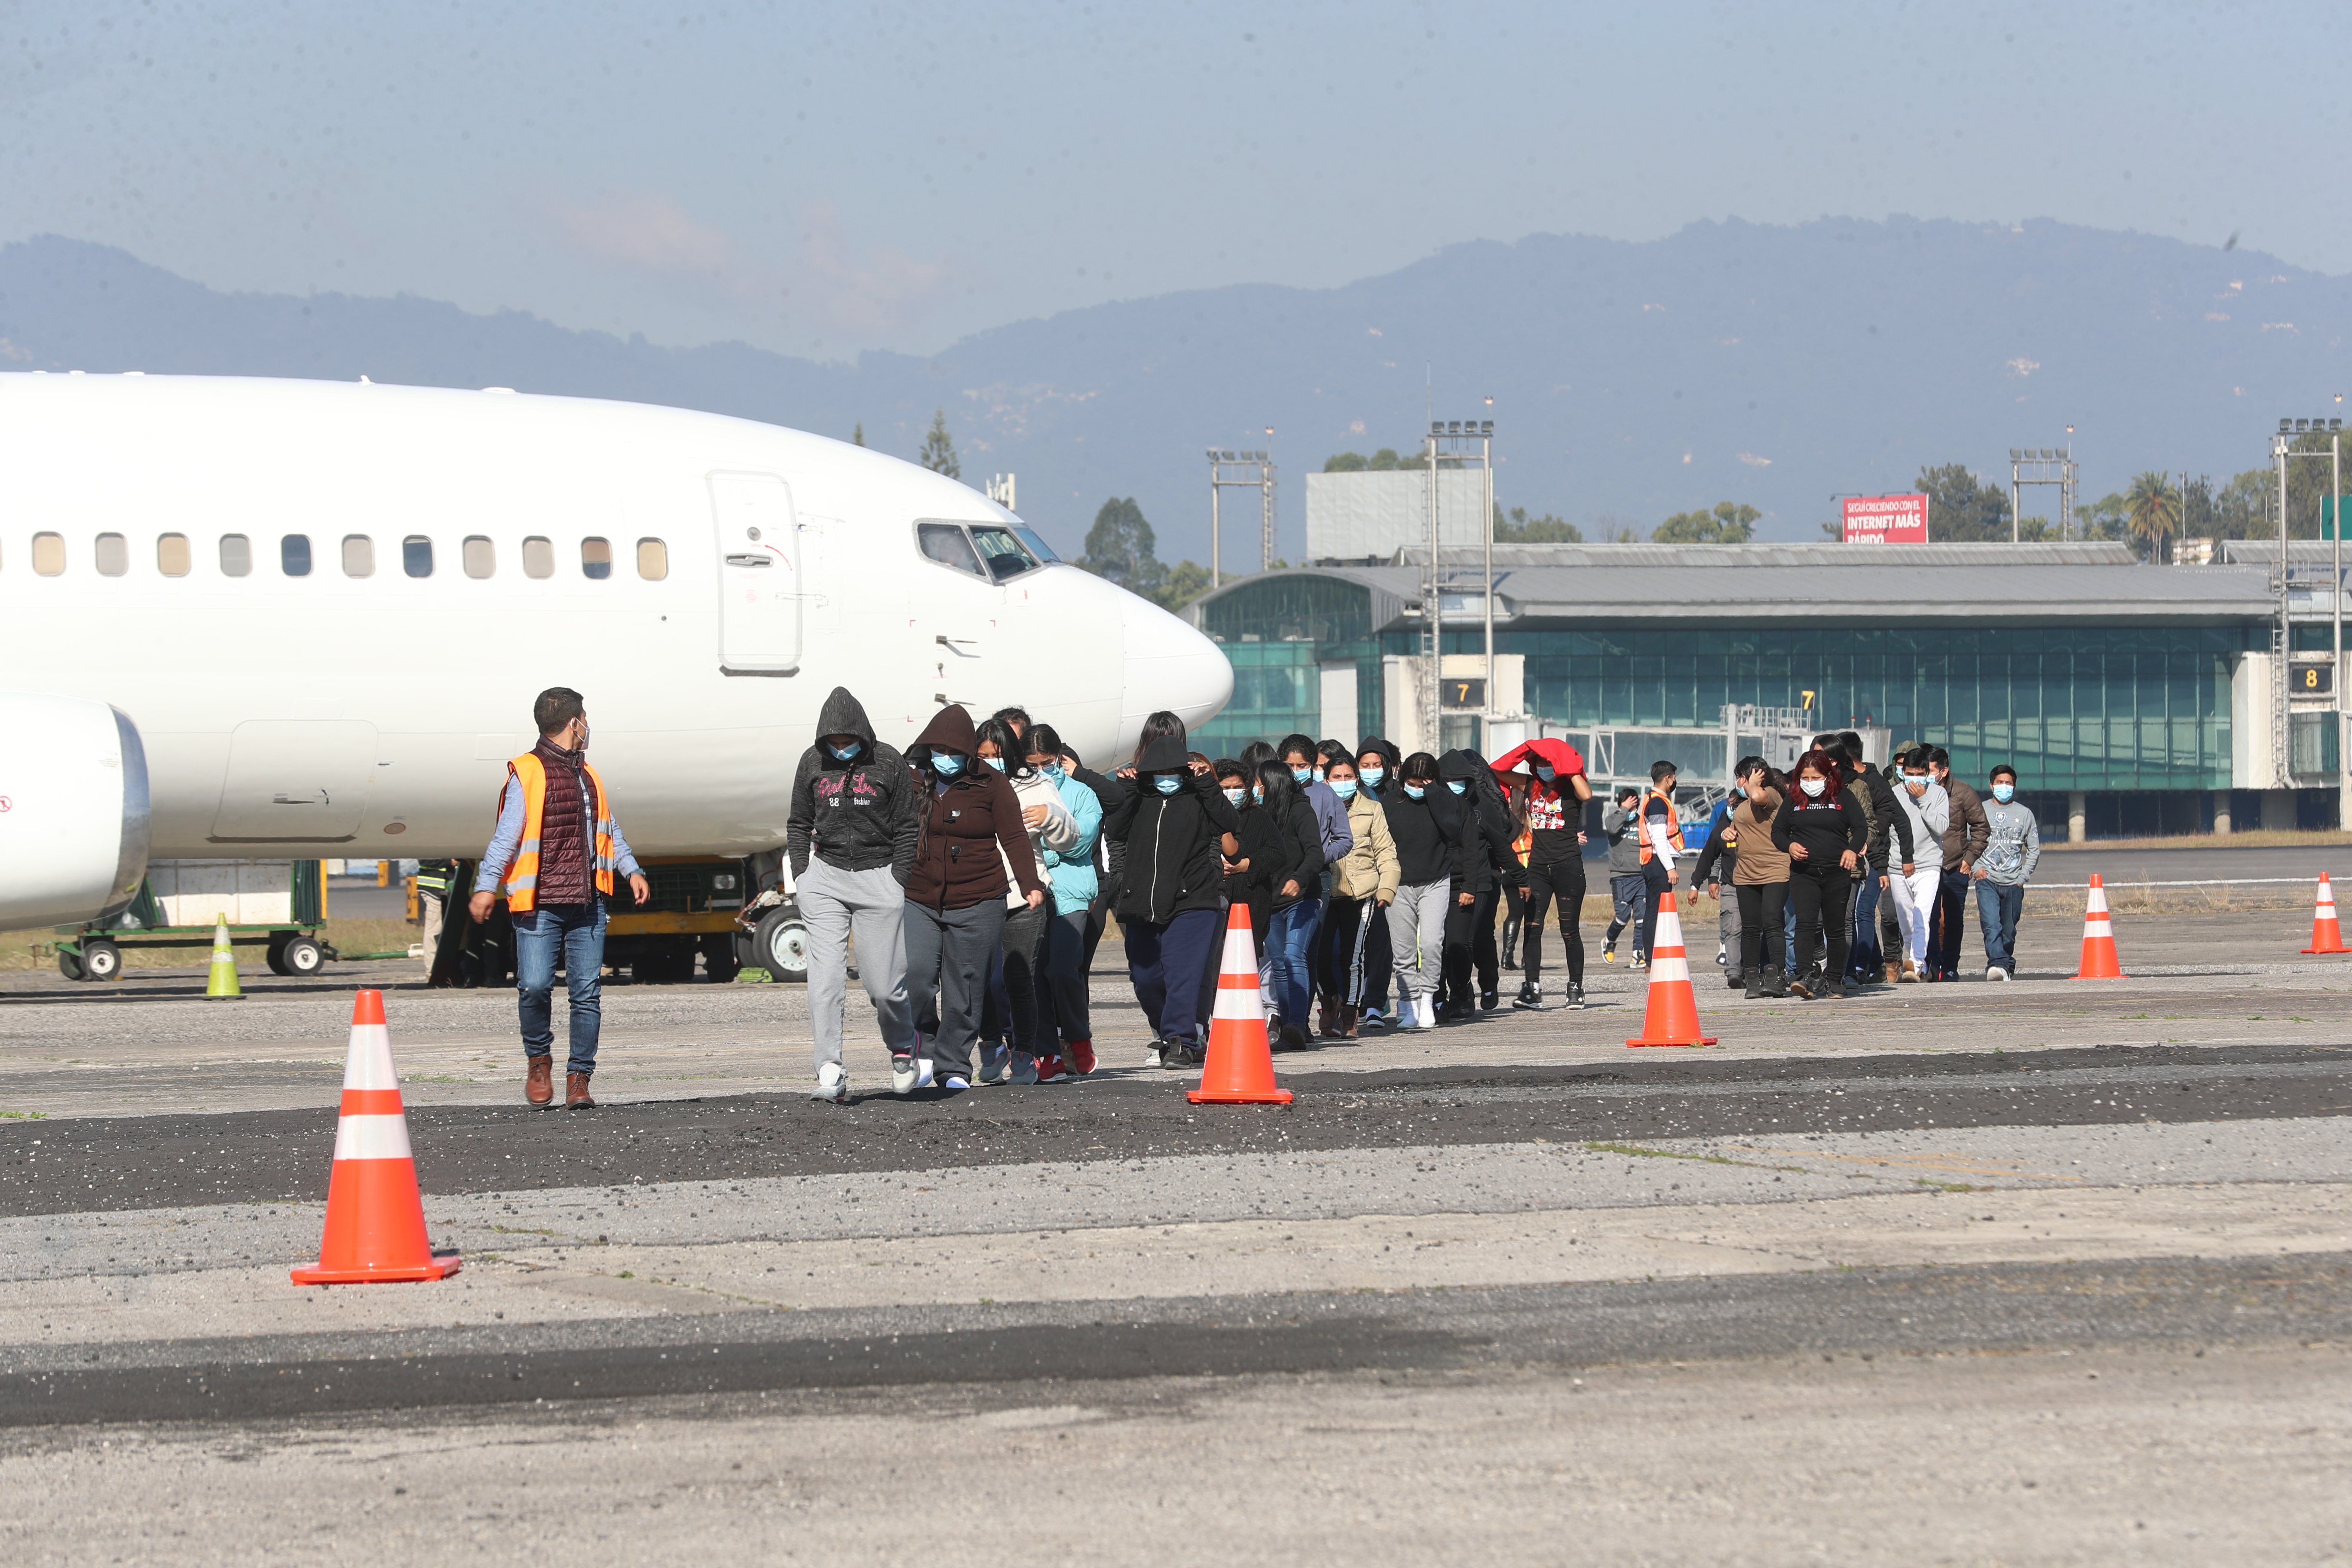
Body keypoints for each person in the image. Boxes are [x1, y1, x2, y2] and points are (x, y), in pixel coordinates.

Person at [469, 687, 651, 1109]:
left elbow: (608, 829)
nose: (587, 725)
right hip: (539, 906)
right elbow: (505, 838)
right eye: (585, 717)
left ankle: (579, 1079)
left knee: (586, 995)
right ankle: (539, 1060)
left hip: (588, 904)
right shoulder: (527, 773)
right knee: (534, 987)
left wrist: (632, 869)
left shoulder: (589, 775)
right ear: (575, 723)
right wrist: (485, 886)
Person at [786, 686, 922, 1103]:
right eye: (834, 743)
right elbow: (797, 823)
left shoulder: (889, 763)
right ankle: (830, 1070)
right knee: (823, 981)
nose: (840, 749)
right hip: (825, 879)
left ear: (863, 735)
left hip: (879, 877)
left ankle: (903, 1048)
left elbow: (908, 827)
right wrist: (803, 876)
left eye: (848, 742)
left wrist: (897, 879)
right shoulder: (812, 762)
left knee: (883, 986)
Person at [902, 704, 1047, 1093]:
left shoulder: (992, 783)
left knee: (964, 987)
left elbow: (1015, 836)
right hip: (919, 896)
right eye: (939, 751)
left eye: (955, 753)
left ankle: (953, 1066)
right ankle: (926, 1049)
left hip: (980, 896)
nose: (946, 760)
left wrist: (1031, 882)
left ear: (969, 752)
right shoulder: (913, 781)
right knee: (916, 976)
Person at [1103, 733, 1240, 1067]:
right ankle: (1169, 1032)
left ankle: (1182, 1040)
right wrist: (1128, 789)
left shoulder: (1200, 798)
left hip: (1193, 901)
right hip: (1142, 903)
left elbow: (1230, 822)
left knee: (1184, 974)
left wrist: (1207, 783)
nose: (1167, 780)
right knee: (1146, 978)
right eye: (1159, 774)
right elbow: (1114, 831)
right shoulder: (1137, 799)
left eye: (1174, 773)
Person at [974, 717, 1078, 1084]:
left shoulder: (1035, 784)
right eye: (983, 755)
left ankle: (1024, 1050)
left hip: (1023, 897)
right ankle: (991, 1044)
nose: (990, 762)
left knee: (1018, 980)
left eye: (998, 755)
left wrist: (1051, 818)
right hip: (976, 897)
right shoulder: (967, 786)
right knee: (981, 982)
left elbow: (1070, 837)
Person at [1491, 737, 1594, 1011]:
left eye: (1549, 763)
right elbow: (1497, 771)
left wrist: (1566, 766)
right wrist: (1525, 751)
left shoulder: (1571, 786)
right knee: (1532, 929)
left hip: (1568, 866)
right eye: (1540, 762)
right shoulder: (1530, 785)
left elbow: (1587, 795)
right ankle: (1532, 989)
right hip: (1537, 867)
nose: (1544, 767)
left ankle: (1575, 988)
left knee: (1569, 931)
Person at [1026, 723, 1106, 1077]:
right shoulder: (1018, 790)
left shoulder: (1083, 793)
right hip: (1032, 892)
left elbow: (1081, 840)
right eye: (1033, 764)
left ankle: (1078, 1039)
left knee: (1062, 969)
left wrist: (1046, 836)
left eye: (1047, 762)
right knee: (1033, 974)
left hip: (1072, 891)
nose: (1041, 770)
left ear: (1060, 757)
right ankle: (1046, 1049)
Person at [1771, 747, 1868, 1000]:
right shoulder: (1793, 800)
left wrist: (1852, 850)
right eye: (1805, 778)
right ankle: (1804, 976)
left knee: (1836, 928)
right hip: (1805, 873)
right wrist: (1789, 846)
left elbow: (1860, 828)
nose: (1810, 783)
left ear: (1828, 775)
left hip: (1837, 872)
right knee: (1805, 923)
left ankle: (1835, 980)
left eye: (1816, 778)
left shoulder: (1843, 797)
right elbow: (1778, 832)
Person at [1314, 754, 1398, 1038]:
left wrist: (1386, 889)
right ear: (1326, 780)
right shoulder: (1314, 806)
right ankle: (1328, 1003)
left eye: (1348, 776)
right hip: (1323, 893)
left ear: (1357, 779)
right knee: (1318, 955)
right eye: (1336, 777)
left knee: (1353, 958)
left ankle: (1350, 1012)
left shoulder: (1372, 809)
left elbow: (1386, 853)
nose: (1343, 782)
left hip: (1360, 894)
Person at [1381, 751, 1465, 1029]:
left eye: (1424, 782)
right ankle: (1410, 1004)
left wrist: (1435, 794)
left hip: (1436, 881)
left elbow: (1453, 831)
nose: (1418, 788)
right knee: (1403, 951)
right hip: (1400, 884)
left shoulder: (1443, 799)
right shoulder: (1390, 802)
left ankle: (1429, 999)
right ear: (1403, 778)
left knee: (1431, 943)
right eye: (1413, 782)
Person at [1436, 748, 1516, 1019]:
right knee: (1449, 941)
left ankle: (1486, 982)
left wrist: (1521, 878)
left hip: (1484, 879)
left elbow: (1502, 844)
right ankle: (1451, 992)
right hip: (1445, 881)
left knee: (1477, 937)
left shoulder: (1483, 806)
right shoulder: (1433, 805)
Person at [1256, 760, 1329, 1050]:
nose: (1255, 788)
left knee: (1293, 956)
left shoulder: (1301, 809)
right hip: (1270, 904)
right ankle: (1288, 1026)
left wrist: (1299, 879)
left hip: (1303, 899)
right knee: (1278, 964)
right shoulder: (1259, 814)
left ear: (1272, 784)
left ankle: (1298, 1023)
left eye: (1259, 783)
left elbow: (1315, 853)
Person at [1724, 758, 1790, 998]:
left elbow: (1759, 798)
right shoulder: (1742, 804)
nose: (1739, 783)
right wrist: (1727, 831)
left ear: (1754, 775)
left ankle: (1777, 976)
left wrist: (1753, 783)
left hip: (1774, 868)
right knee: (1751, 927)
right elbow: (1737, 825)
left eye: (1741, 777)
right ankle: (1751, 976)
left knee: (1772, 921)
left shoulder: (1770, 794)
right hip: (1746, 872)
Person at [1926, 747, 1991, 982]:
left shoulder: (1963, 792)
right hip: (1927, 866)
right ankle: (1931, 964)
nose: (1925, 775)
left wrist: (1970, 860)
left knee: (1954, 919)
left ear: (1943, 771)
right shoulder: (1919, 792)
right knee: (1929, 917)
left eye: (1930, 770)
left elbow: (1982, 828)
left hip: (1955, 866)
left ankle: (1951, 966)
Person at [1353, 737, 1404, 1029]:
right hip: (1359, 879)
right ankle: (1359, 999)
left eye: (1377, 765)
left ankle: (1374, 1002)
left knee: (1383, 943)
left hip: (1390, 877)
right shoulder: (1352, 794)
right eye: (1366, 765)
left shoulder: (1399, 795)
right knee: (1360, 946)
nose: (1372, 770)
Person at [1883, 748, 1946, 984]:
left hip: (1929, 864)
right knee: (1906, 921)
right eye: (1910, 774)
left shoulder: (1938, 793)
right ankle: (1915, 963)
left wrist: (1923, 799)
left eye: (1920, 774)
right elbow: (1888, 830)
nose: (1915, 779)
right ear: (1902, 772)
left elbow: (1941, 828)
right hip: (1898, 865)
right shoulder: (1892, 794)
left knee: (1922, 914)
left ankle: (1916, 963)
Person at [1975, 764, 2040, 980]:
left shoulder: (2025, 814)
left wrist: (2022, 878)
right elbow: (1967, 841)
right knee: (1992, 925)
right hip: (1987, 880)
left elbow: (2034, 849)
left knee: (2009, 931)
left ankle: (2005, 963)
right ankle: (1996, 965)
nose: (2005, 787)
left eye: (2009, 783)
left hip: (2013, 882)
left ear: (2015, 786)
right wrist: (1976, 869)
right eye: (2000, 783)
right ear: (1991, 785)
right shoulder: (1980, 810)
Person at [1687, 792, 1743, 992]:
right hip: (1731, 884)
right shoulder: (1722, 828)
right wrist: (1697, 884)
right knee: (1732, 928)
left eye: (1736, 805)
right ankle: (1734, 971)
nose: (1731, 808)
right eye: (1730, 804)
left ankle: (1755, 970)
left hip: (1756, 884)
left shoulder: (1756, 826)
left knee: (1755, 929)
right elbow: (1709, 856)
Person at [1633, 761, 1684, 969]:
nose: (1674, 782)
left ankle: (1651, 959)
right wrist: (1669, 868)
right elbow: (1660, 838)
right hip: (1658, 863)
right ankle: (1652, 960)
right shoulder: (1658, 803)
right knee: (1656, 912)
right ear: (1668, 778)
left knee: (1652, 911)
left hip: (1651, 861)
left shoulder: (1650, 799)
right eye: (1674, 777)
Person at [1600, 787, 1649, 967]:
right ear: (1622, 804)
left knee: (1642, 917)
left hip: (1641, 877)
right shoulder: (1613, 819)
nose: (1632, 811)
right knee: (1623, 916)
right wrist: (1624, 811)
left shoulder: (1642, 822)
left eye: (1635, 806)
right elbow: (1613, 830)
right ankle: (1609, 941)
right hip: (1621, 876)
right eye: (1630, 805)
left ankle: (1637, 954)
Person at [413, 858, 456, 977]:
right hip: (434, 890)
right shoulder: (430, 842)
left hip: (452, 886)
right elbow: (424, 860)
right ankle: (432, 969)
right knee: (435, 929)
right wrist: (449, 862)